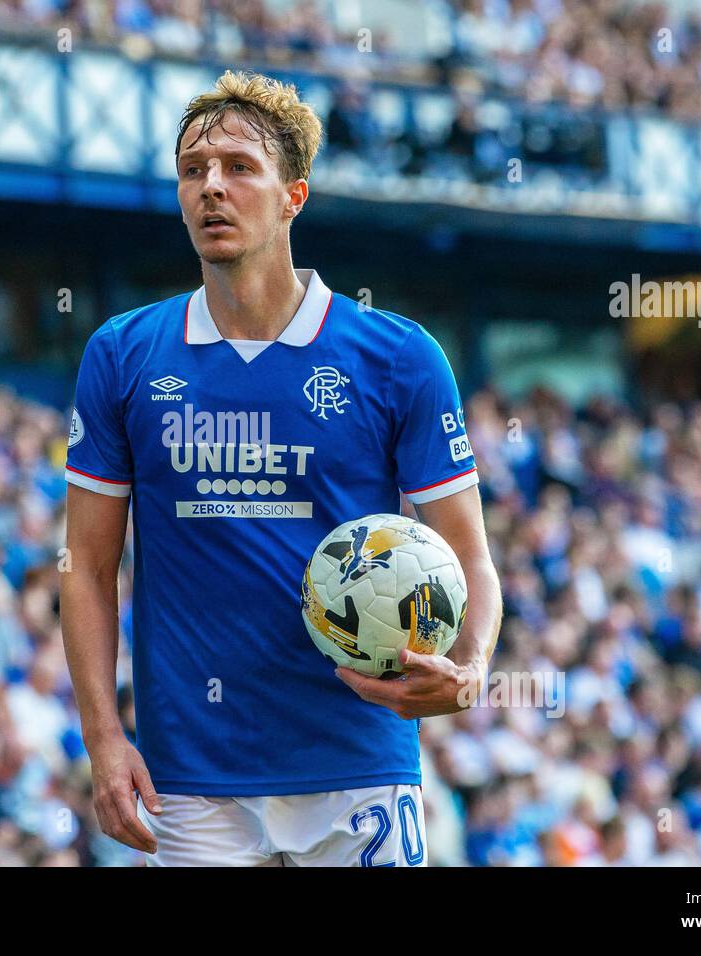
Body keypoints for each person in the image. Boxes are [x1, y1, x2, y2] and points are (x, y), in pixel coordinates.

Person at [61, 70, 502, 866]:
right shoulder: (121, 354)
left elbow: (469, 554)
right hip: (190, 781)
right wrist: (103, 738)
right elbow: (87, 567)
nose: (211, 189)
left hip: (358, 765)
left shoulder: (399, 357)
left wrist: (469, 667)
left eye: (238, 167)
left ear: (294, 194)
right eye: (192, 171)